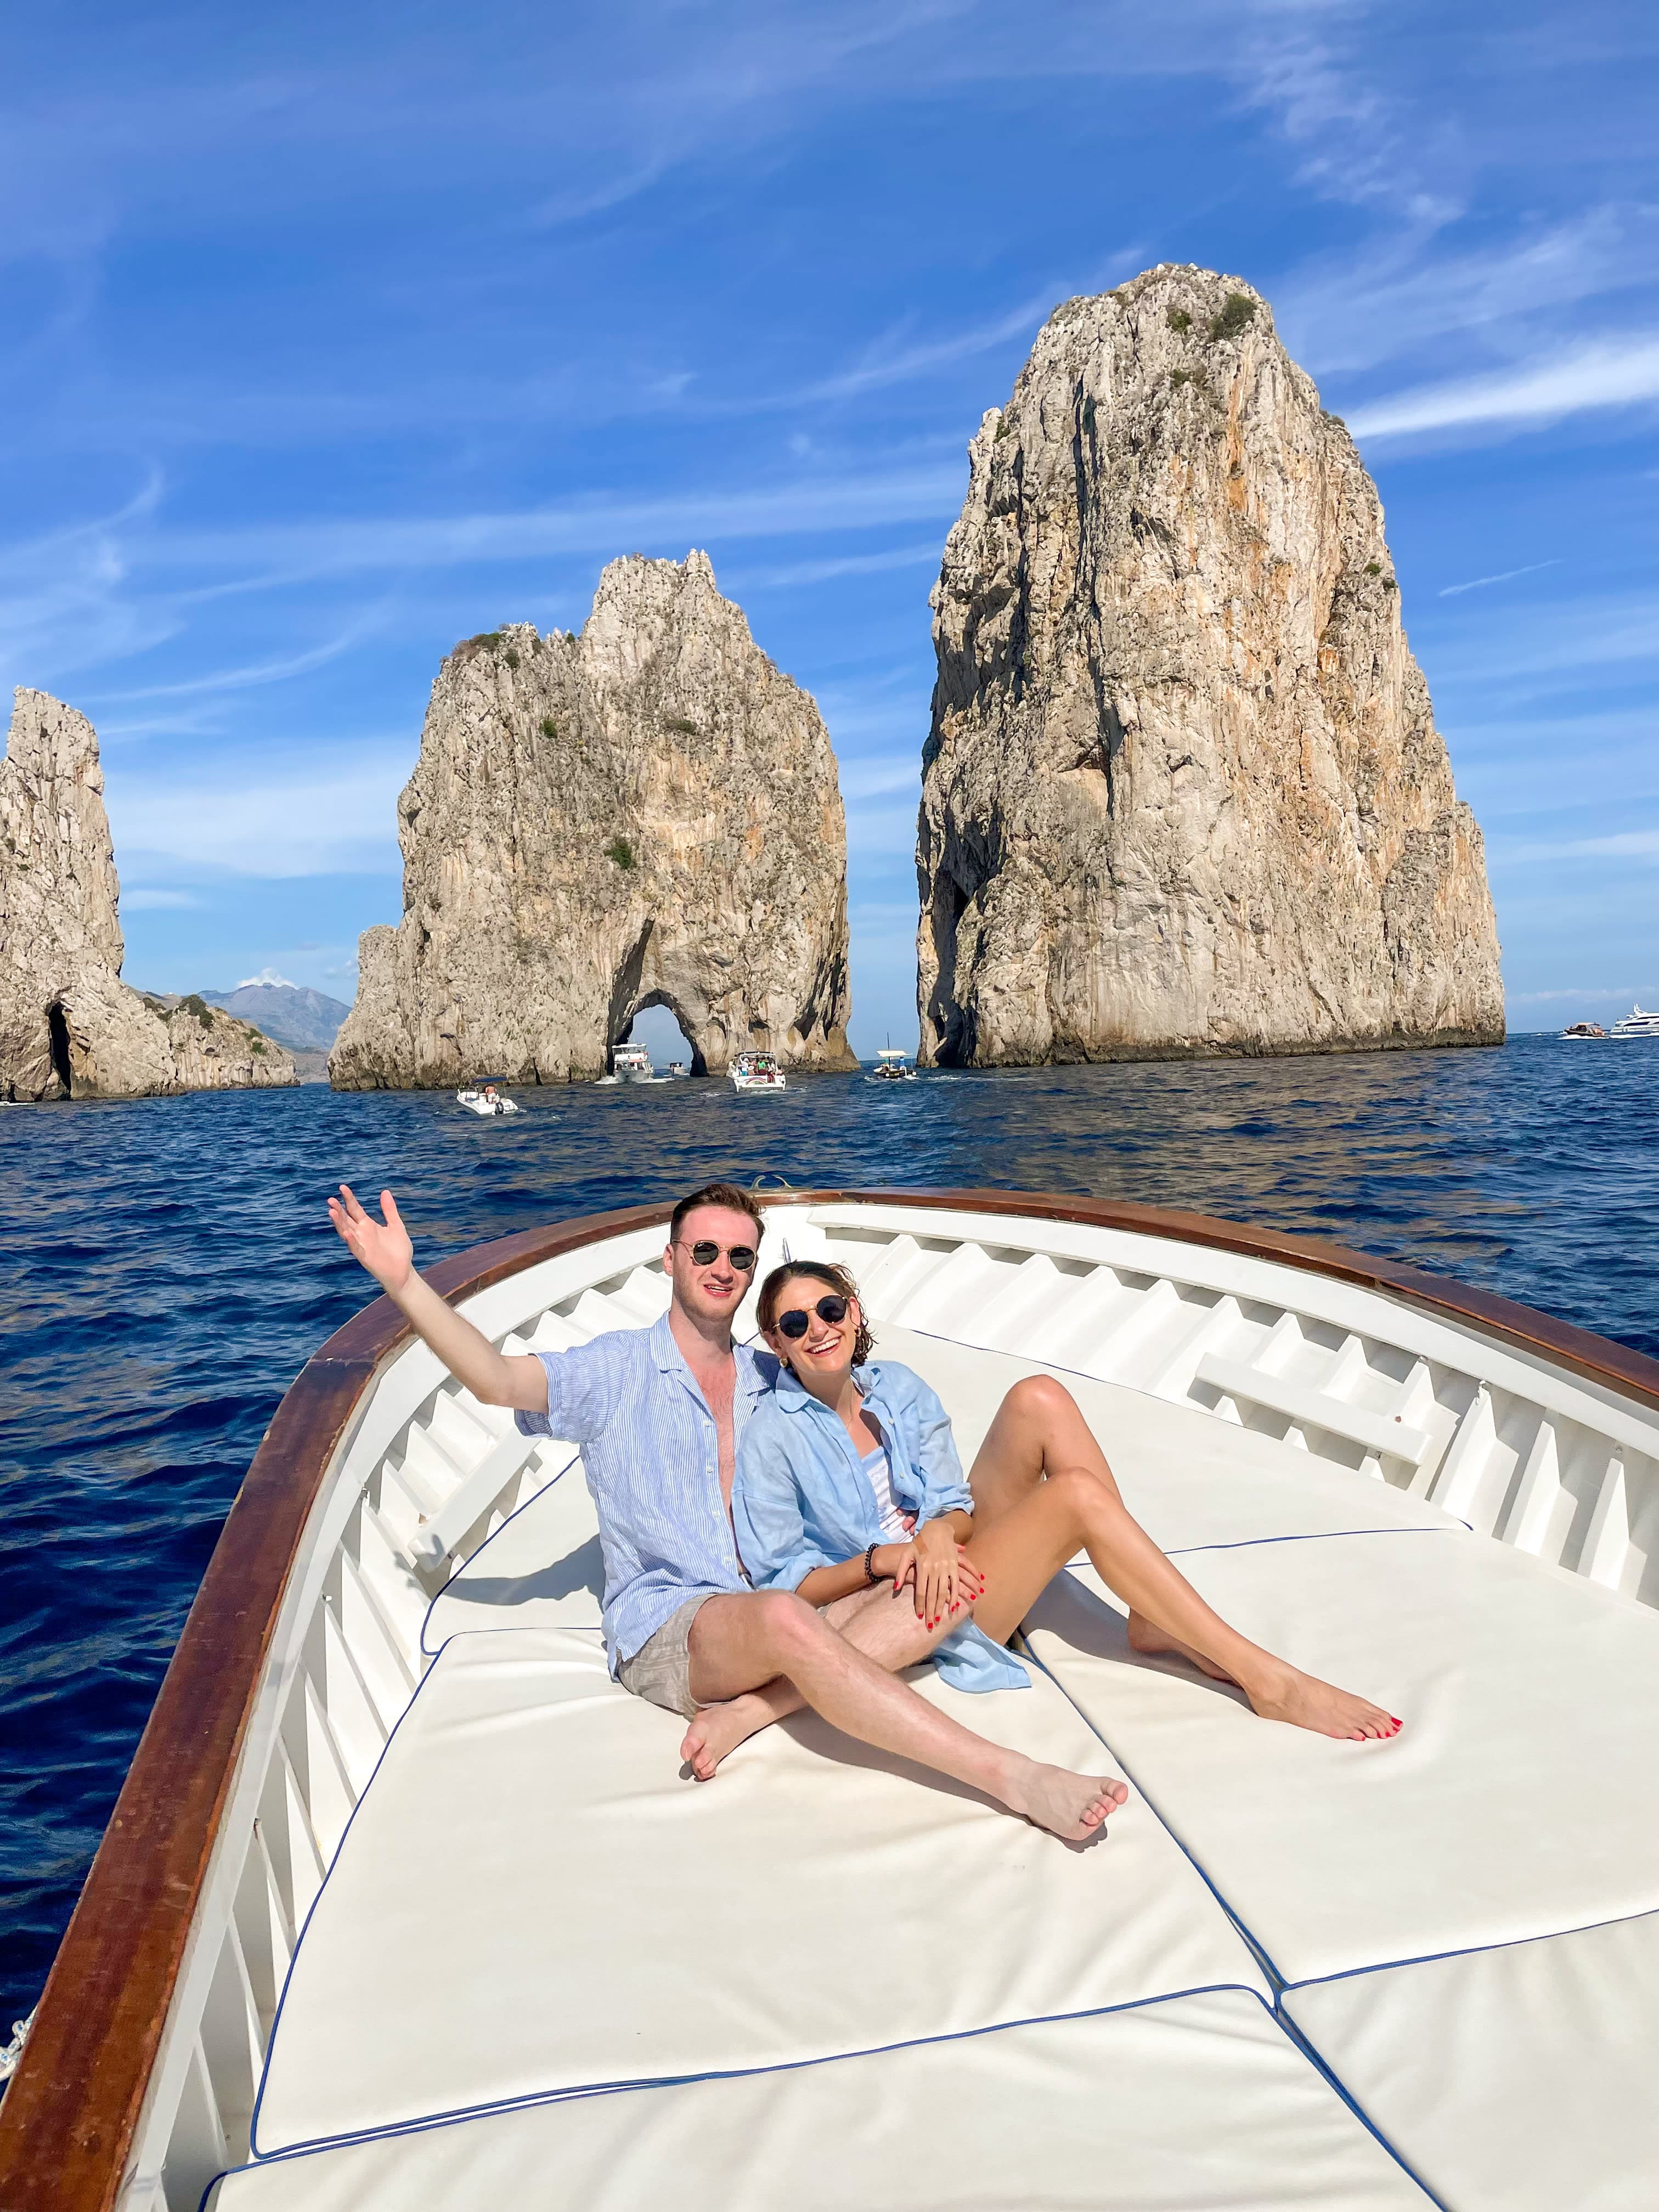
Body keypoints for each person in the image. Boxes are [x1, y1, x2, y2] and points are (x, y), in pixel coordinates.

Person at [326, 1178, 1125, 1842]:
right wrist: (403, 1282)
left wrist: (922, 1520)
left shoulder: (765, 1372)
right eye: (703, 1251)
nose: (722, 1267)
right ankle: (1012, 1778)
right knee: (787, 1617)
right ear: (670, 1258)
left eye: (739, 1256)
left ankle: (760, 1706)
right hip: (678, 1626)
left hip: (792, 1599)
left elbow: (849, 1388)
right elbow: (499, 1381)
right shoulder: (617, 1372)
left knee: (912, 1572)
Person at [696, 1257, 1403, 1779]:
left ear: (855, 1312)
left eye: (830, 1310)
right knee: (1076, 1500)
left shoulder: (897, 1389)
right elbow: (786, 1587)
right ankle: (1269, 1680)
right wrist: (889, 1559)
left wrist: (940, 1533)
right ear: (777, 1342)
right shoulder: (773, 1438)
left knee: (1039, 1396)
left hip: (947, 1560)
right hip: (894, 1600)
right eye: (795, 1324)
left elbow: (954, 1503)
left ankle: (1151, 1617)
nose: (818, 1330)